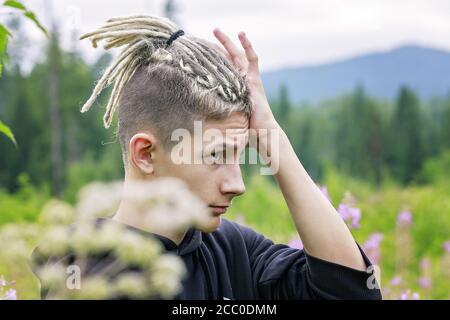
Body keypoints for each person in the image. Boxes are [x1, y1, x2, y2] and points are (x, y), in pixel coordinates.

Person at [33, 15, 381, 300]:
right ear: (146, 154)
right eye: (215, 155)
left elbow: (352, 292)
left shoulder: (233, 252)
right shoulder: (79, 270)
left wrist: (271, 135)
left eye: (240, 155)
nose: (237, 184)